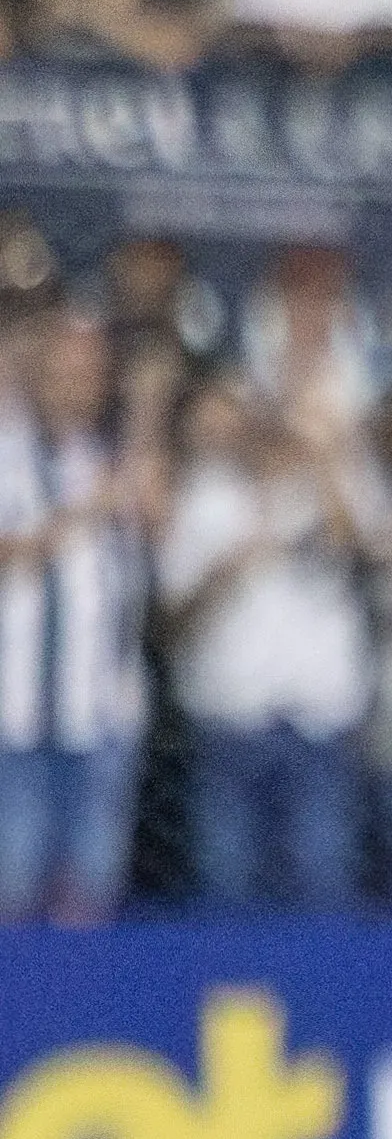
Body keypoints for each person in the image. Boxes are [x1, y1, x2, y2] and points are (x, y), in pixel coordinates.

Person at [156, 373, 382, 909]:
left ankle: (323, 995)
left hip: (318, 722)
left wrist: (327, 466)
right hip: (233, 722)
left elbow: (363, 557)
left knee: (324, 886)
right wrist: (226, 567)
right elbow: (171, 620)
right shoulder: (206, 497)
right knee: (229, 889)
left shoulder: (339, 485)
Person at [0, 315, 154, 923]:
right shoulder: (8, 454)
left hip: (104, 712)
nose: (79, 384)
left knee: (91, 897)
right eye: (66, 370)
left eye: (91, 372)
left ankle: (83, 1017)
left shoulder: (112, 455)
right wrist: (92, 509)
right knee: (14, 888)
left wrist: (147, 418)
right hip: (17, 716)